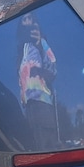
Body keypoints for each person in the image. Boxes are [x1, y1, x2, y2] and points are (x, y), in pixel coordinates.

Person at [17, 14, 58, 151]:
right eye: (24, 19)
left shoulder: (42, 43)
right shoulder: (22, 51)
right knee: (36, 146)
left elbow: (53, 69)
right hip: (29, 106)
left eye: (31, 19)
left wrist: (40, 45)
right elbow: (22, 79)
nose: (28, 22)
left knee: (48, 145)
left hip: (43, 102)